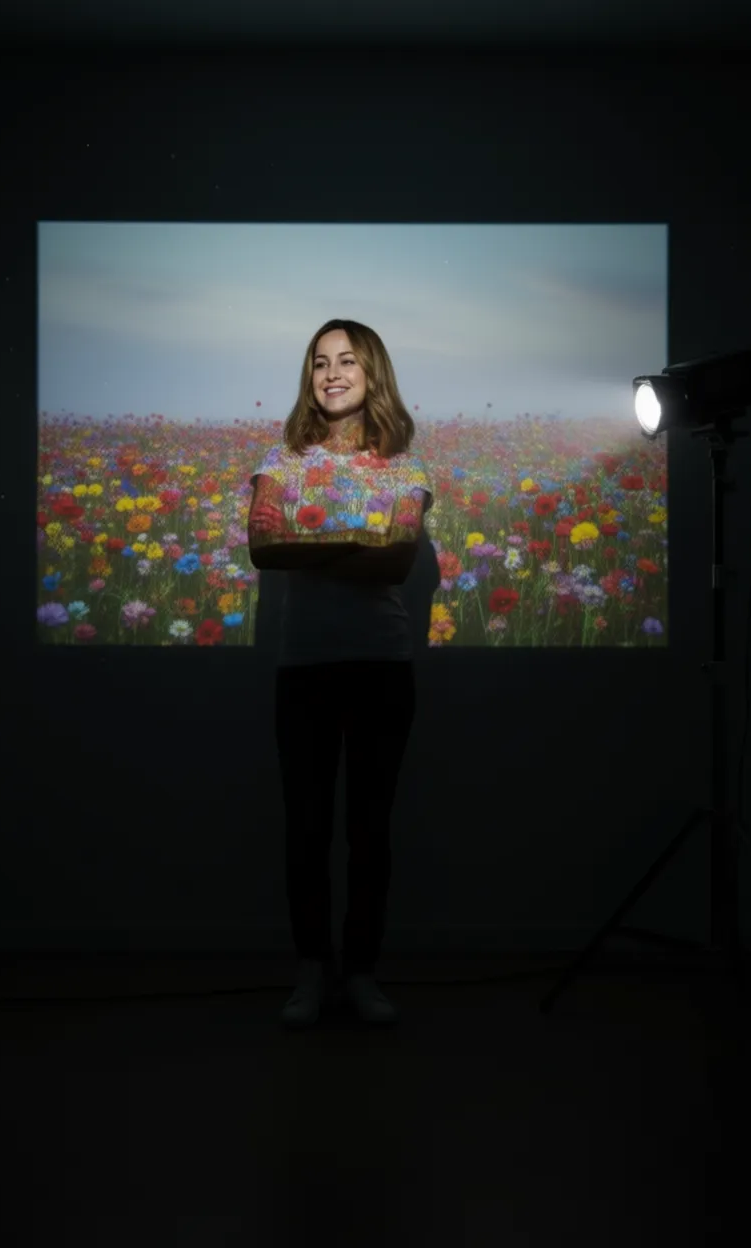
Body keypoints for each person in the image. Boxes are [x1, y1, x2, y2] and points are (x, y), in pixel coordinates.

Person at [247, 319, 434, 1027]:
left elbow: (396, 563)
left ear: (372, 372)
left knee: (368, 830)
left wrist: (311, 541)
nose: (331, 372)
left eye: (346, 360)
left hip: (383, 667)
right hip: (305, 668)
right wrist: (361, 537)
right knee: (306, 828)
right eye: (319, 362)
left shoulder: (407, 467)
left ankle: (361, 971)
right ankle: (310, 970)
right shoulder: (280, 461)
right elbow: (264, 548)